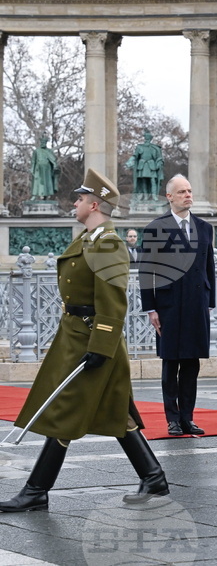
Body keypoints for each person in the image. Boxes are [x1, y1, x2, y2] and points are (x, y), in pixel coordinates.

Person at [1, 169, 168, 512]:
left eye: (79, 199)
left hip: (93, 340)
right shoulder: (86, 240)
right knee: (116, 411)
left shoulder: (109, 243)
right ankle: (153, 477)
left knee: (66, 409)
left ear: (94, 204)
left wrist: (100, 347)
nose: (74, 203)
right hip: (75, 335)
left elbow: (113, 301)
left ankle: (36, 490)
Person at [139, 175, 215, 436]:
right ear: (169, 196)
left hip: (197, 304)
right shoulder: (155, 227)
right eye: (182, 191)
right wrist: (151, 308)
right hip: (168, 305)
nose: (188, 195)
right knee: (171, 363)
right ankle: (172, 418)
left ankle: (187, 418)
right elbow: (146, 271)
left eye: (190, 191)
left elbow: (209, 268)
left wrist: (210, 302)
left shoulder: (204, 227)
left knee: (192, 364)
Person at [125, 129, 164, 201]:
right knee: (143, 181)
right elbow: (135, 156)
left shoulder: (155, 148)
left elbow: (159, 158)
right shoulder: (140, 147)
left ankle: (154, 196)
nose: (147, 139)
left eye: (148, 138)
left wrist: (159, 163)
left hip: (152, 166)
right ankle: (145, 196)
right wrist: (130, 161)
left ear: (150, 138)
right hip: (142, 166)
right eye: (146, 137)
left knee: (153, 180)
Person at [30, 135, 59, 200]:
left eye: (44, 142)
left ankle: (46, 195)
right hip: (38, 168)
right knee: (37, 182)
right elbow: (33, 161)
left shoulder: (49, 151)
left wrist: (55, 166)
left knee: (47, 181)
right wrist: (32, 169)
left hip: (47, 168)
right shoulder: (36, 151)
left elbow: (53, 160)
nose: (43, 143)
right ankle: (34, 195)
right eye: (42, 142)